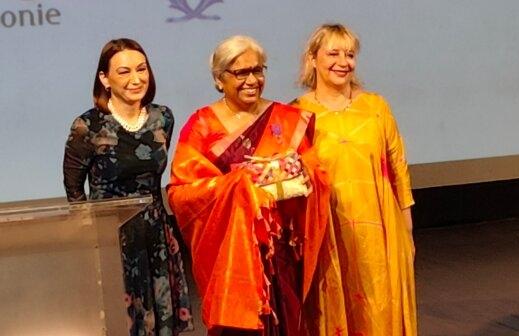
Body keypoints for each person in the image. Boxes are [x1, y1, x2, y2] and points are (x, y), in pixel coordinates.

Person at [167, 35, 330, 336]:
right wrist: (239, 184)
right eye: (241, 72)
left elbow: (315, 172)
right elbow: (182, 193)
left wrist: (298, 170)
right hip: (232, 255)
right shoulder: (203, 124)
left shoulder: (286, 118)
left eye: (258, 70)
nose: (252, 80)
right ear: (219, 79)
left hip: (281, 251)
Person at [292, 23, 417, 336]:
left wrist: (407, 229)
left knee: (379, 307)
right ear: (313, 58)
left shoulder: (376, 107)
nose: (343, 61)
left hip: (380, 229)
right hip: (328, 233)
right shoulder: (297, 114)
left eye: (349, 54)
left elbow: (397, 166)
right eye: (333, 53)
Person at [63, 38, 193, 336]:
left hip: (156, 236)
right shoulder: (88, 126)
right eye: (124, 72)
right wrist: (91, 239)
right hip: (111, 241)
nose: (136, 79)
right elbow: (74, 190)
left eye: (141, 69)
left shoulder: (163, 117)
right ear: (104, 79)